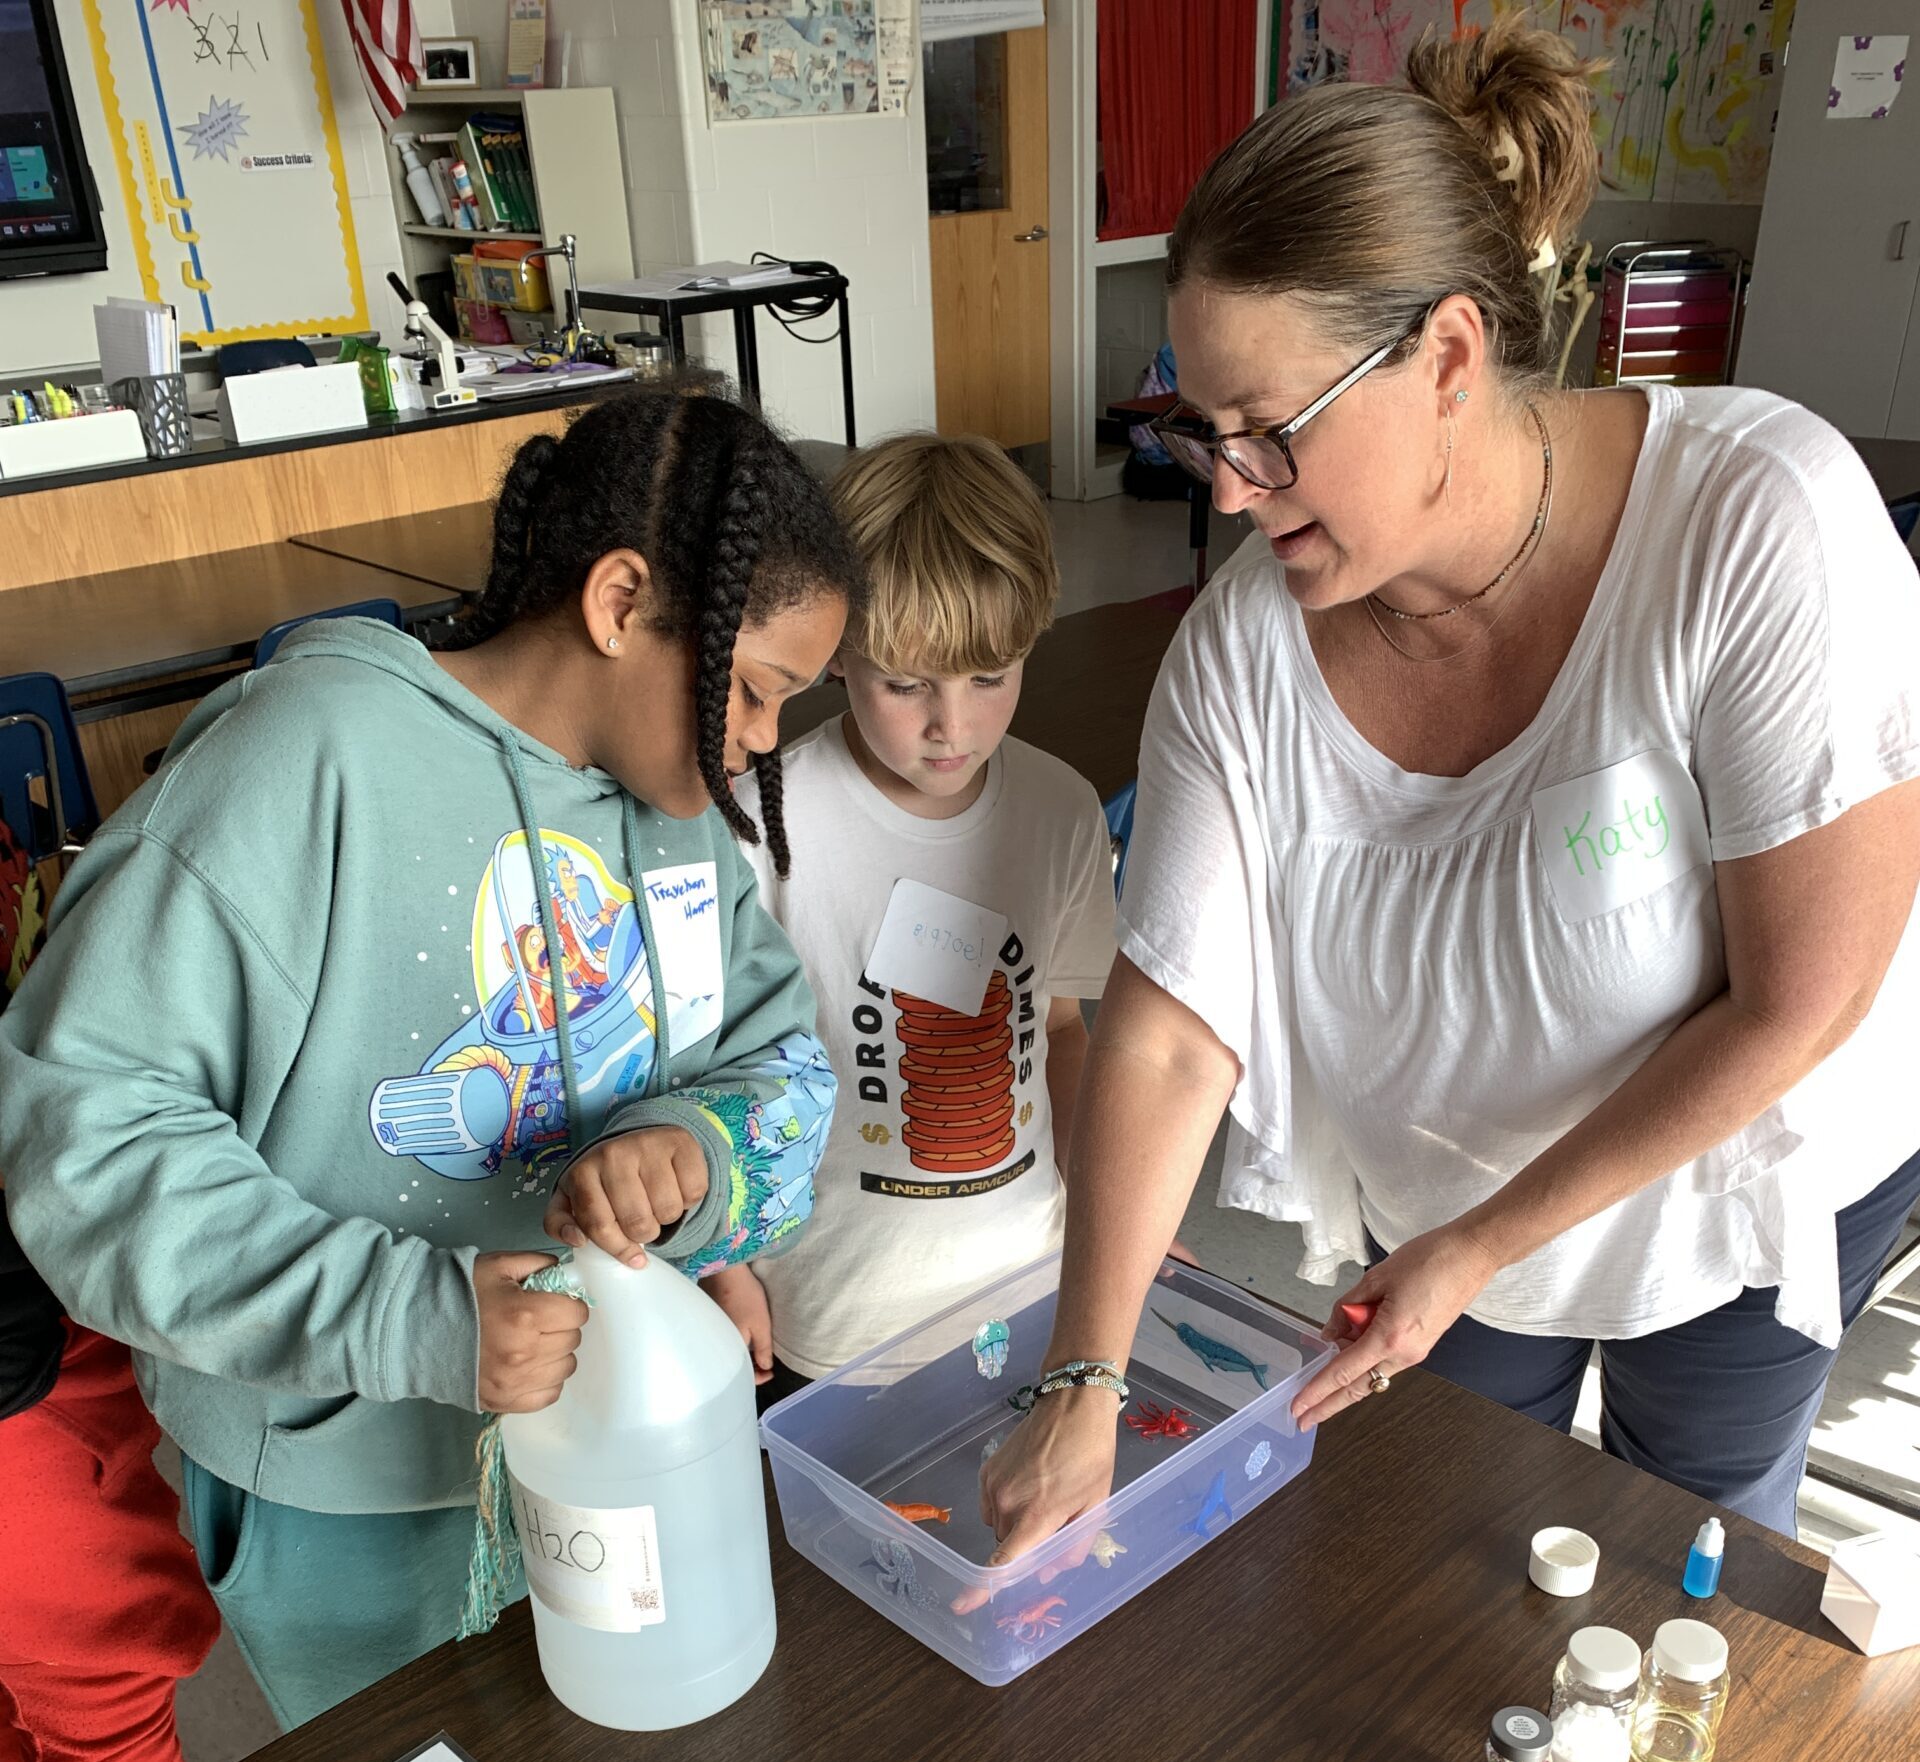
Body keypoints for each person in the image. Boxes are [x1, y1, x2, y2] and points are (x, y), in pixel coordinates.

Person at [980, 16, 1920, 1564]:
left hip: (1739, 1157)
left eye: (1270, 433)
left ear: (1452, 358)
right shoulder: (1248, 647)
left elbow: (1796, 998)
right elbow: (1166, 1028)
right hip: (1447, 1192)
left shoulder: (1755, 522)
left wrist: (1481, 1243)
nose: (1223, 489)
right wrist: (1089, 1369)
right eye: (1196, 429)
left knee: (1692, 1533)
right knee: (1465, 1528)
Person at [0, 389, 865, 1727]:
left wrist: (694, 1151)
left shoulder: (677, 818)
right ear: (623, 601)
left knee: (622, 1710)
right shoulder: (304, 760)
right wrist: (419, 1318)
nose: (761, 739)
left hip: (613, 1437)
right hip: (345, 1490)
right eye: (754, 688)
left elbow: (778, 1065)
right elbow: (86, 1137)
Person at [704, 434, 1117, 1400]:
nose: (954, 726)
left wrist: (1107, 1222)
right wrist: (720, 1266)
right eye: (907, 684)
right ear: (838, 651)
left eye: (991, 676)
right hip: (827, 1309)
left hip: (1027, 1289)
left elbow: (1062, 1029)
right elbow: (707, 1068)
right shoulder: (759, 822)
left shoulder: (1060, 811)